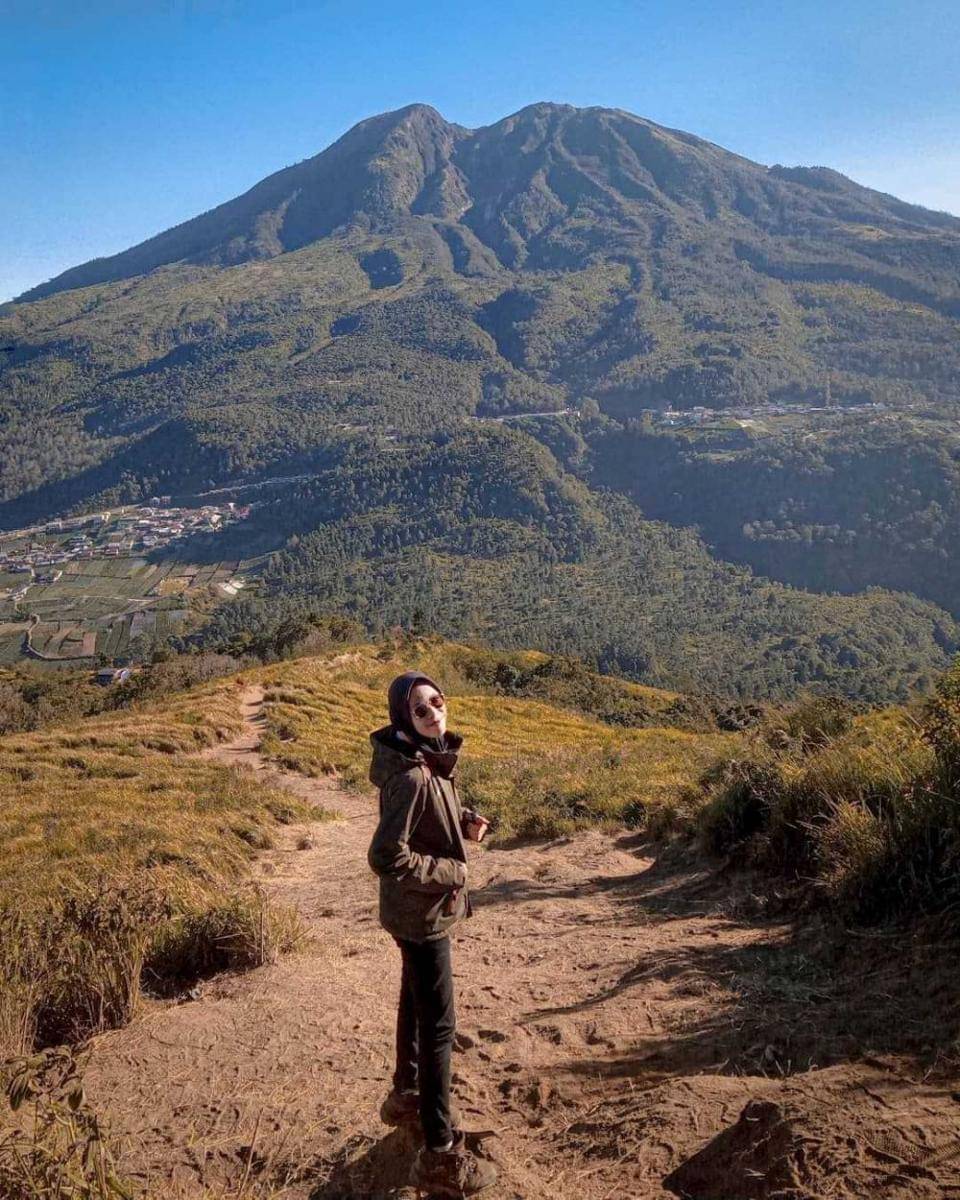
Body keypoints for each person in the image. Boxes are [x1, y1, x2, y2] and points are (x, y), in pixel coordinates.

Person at [368, 671, 497, 1198]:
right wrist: (451, 871)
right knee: (440, 1027)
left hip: (410, 914)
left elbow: (427, 814)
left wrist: (462, 819)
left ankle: (406, 1094)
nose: (435, 713)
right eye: (421, 709)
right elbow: (386, 855)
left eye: (438, 702)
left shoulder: (424, 758)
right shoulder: (415, 775)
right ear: (405, 718)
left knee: (413, 999)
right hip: (423, 916)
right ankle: (440, 1153)